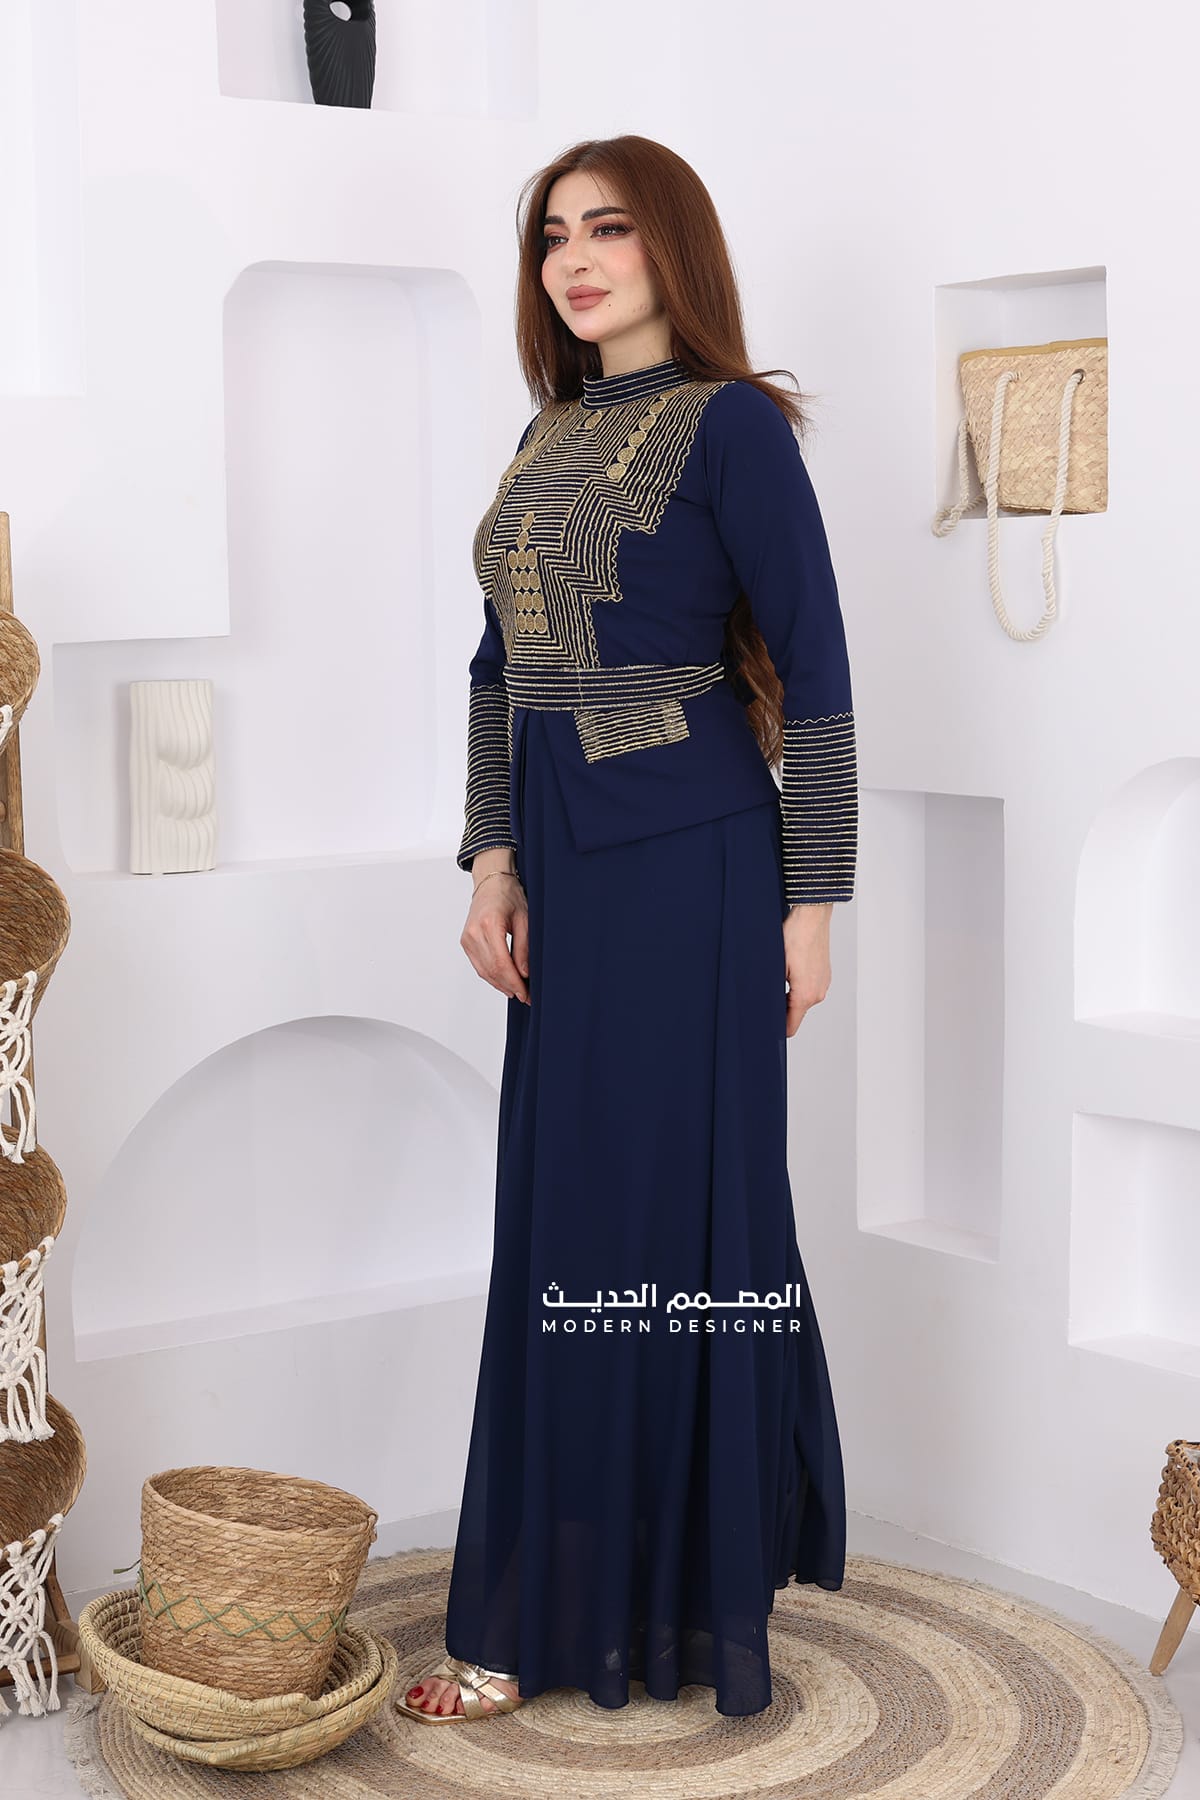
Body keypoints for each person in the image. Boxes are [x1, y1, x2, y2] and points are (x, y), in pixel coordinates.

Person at [396, 132, 857, 1726]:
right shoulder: (548, 435)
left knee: (666, 1223)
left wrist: (811, 907)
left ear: (672, 248)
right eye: (552, 236)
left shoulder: (735, 427)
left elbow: (821, 669)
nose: (575, 260)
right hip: (570, 879)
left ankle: (664, 1601)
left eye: (608, 228)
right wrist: (491, 860)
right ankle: (562, 1598)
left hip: (695, 870)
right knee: (565, 1224)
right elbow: (494, 673)